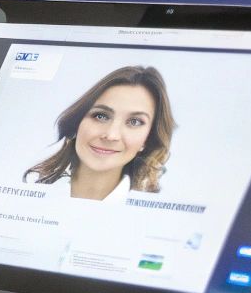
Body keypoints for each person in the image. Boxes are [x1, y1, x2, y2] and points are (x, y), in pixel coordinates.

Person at [24, 65, 174, 201]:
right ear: (77, 122)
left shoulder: (154, 217)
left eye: (134, 122)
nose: (111, 135)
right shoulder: (27, 191)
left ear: (148, 139)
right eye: (101, 116)